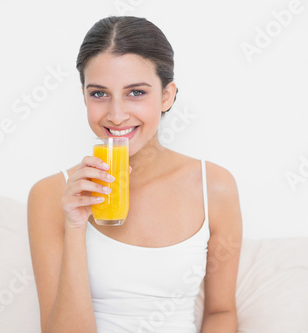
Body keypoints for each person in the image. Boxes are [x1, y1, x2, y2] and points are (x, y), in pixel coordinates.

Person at [27, 16, 242, 333]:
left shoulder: (215, 187)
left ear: (166, 96)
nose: (116, 115)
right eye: (99, 93)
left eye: (136, 92)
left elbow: (221, 312)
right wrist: (75, 225)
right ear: (84, 95)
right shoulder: (50, 195)